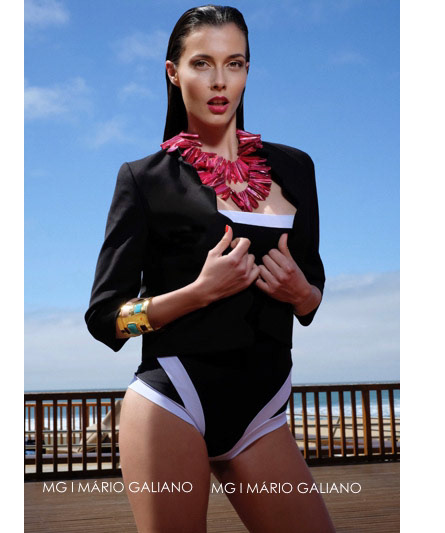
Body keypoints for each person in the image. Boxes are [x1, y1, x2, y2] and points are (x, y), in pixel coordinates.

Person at [85, 5, 335, 532]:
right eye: (202, 63)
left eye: (234, 63)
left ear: (247, 70)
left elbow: (312, 291)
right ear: (174, 72)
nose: (220, 81)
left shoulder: (296, 168)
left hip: (264, 411)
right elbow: (108, 320)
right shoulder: (144, 179)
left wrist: (301, 293)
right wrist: (197, 293)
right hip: (172, 401)